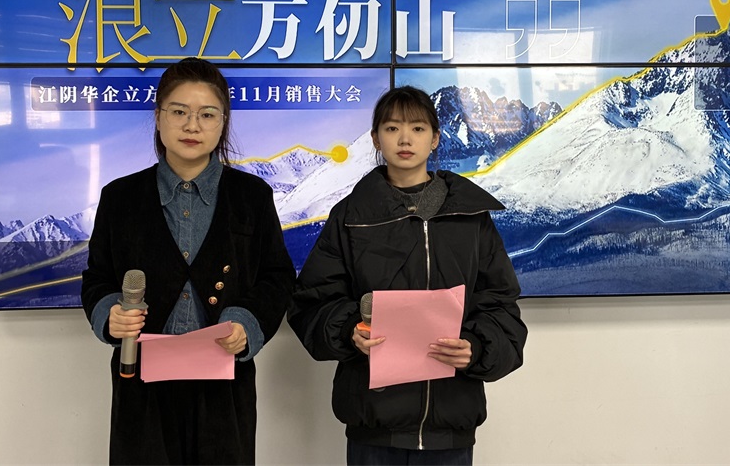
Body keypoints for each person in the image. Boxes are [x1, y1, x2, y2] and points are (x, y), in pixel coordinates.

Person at [288, 85, 528, 466]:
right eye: (392, 128)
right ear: (375, 139)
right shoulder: (350, 216)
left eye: (417, 129)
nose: (404, 139)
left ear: (435, 139)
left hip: (450, 427)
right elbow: (311, 304)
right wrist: (350, 331)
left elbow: (502, 308)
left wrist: (477, 348)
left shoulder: (471, 218)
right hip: (373, 426)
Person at [81, 57, 296, 465]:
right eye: (179, 112)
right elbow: (97, 278)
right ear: (158, 117)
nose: (192, 126)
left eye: (207, 114)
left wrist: (247, 323)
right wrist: (109, 313)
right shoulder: (120, 198)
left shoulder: (252, 196)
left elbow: (277, 276)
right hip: (140, 381)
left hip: (224, 380)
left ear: (223, 122)